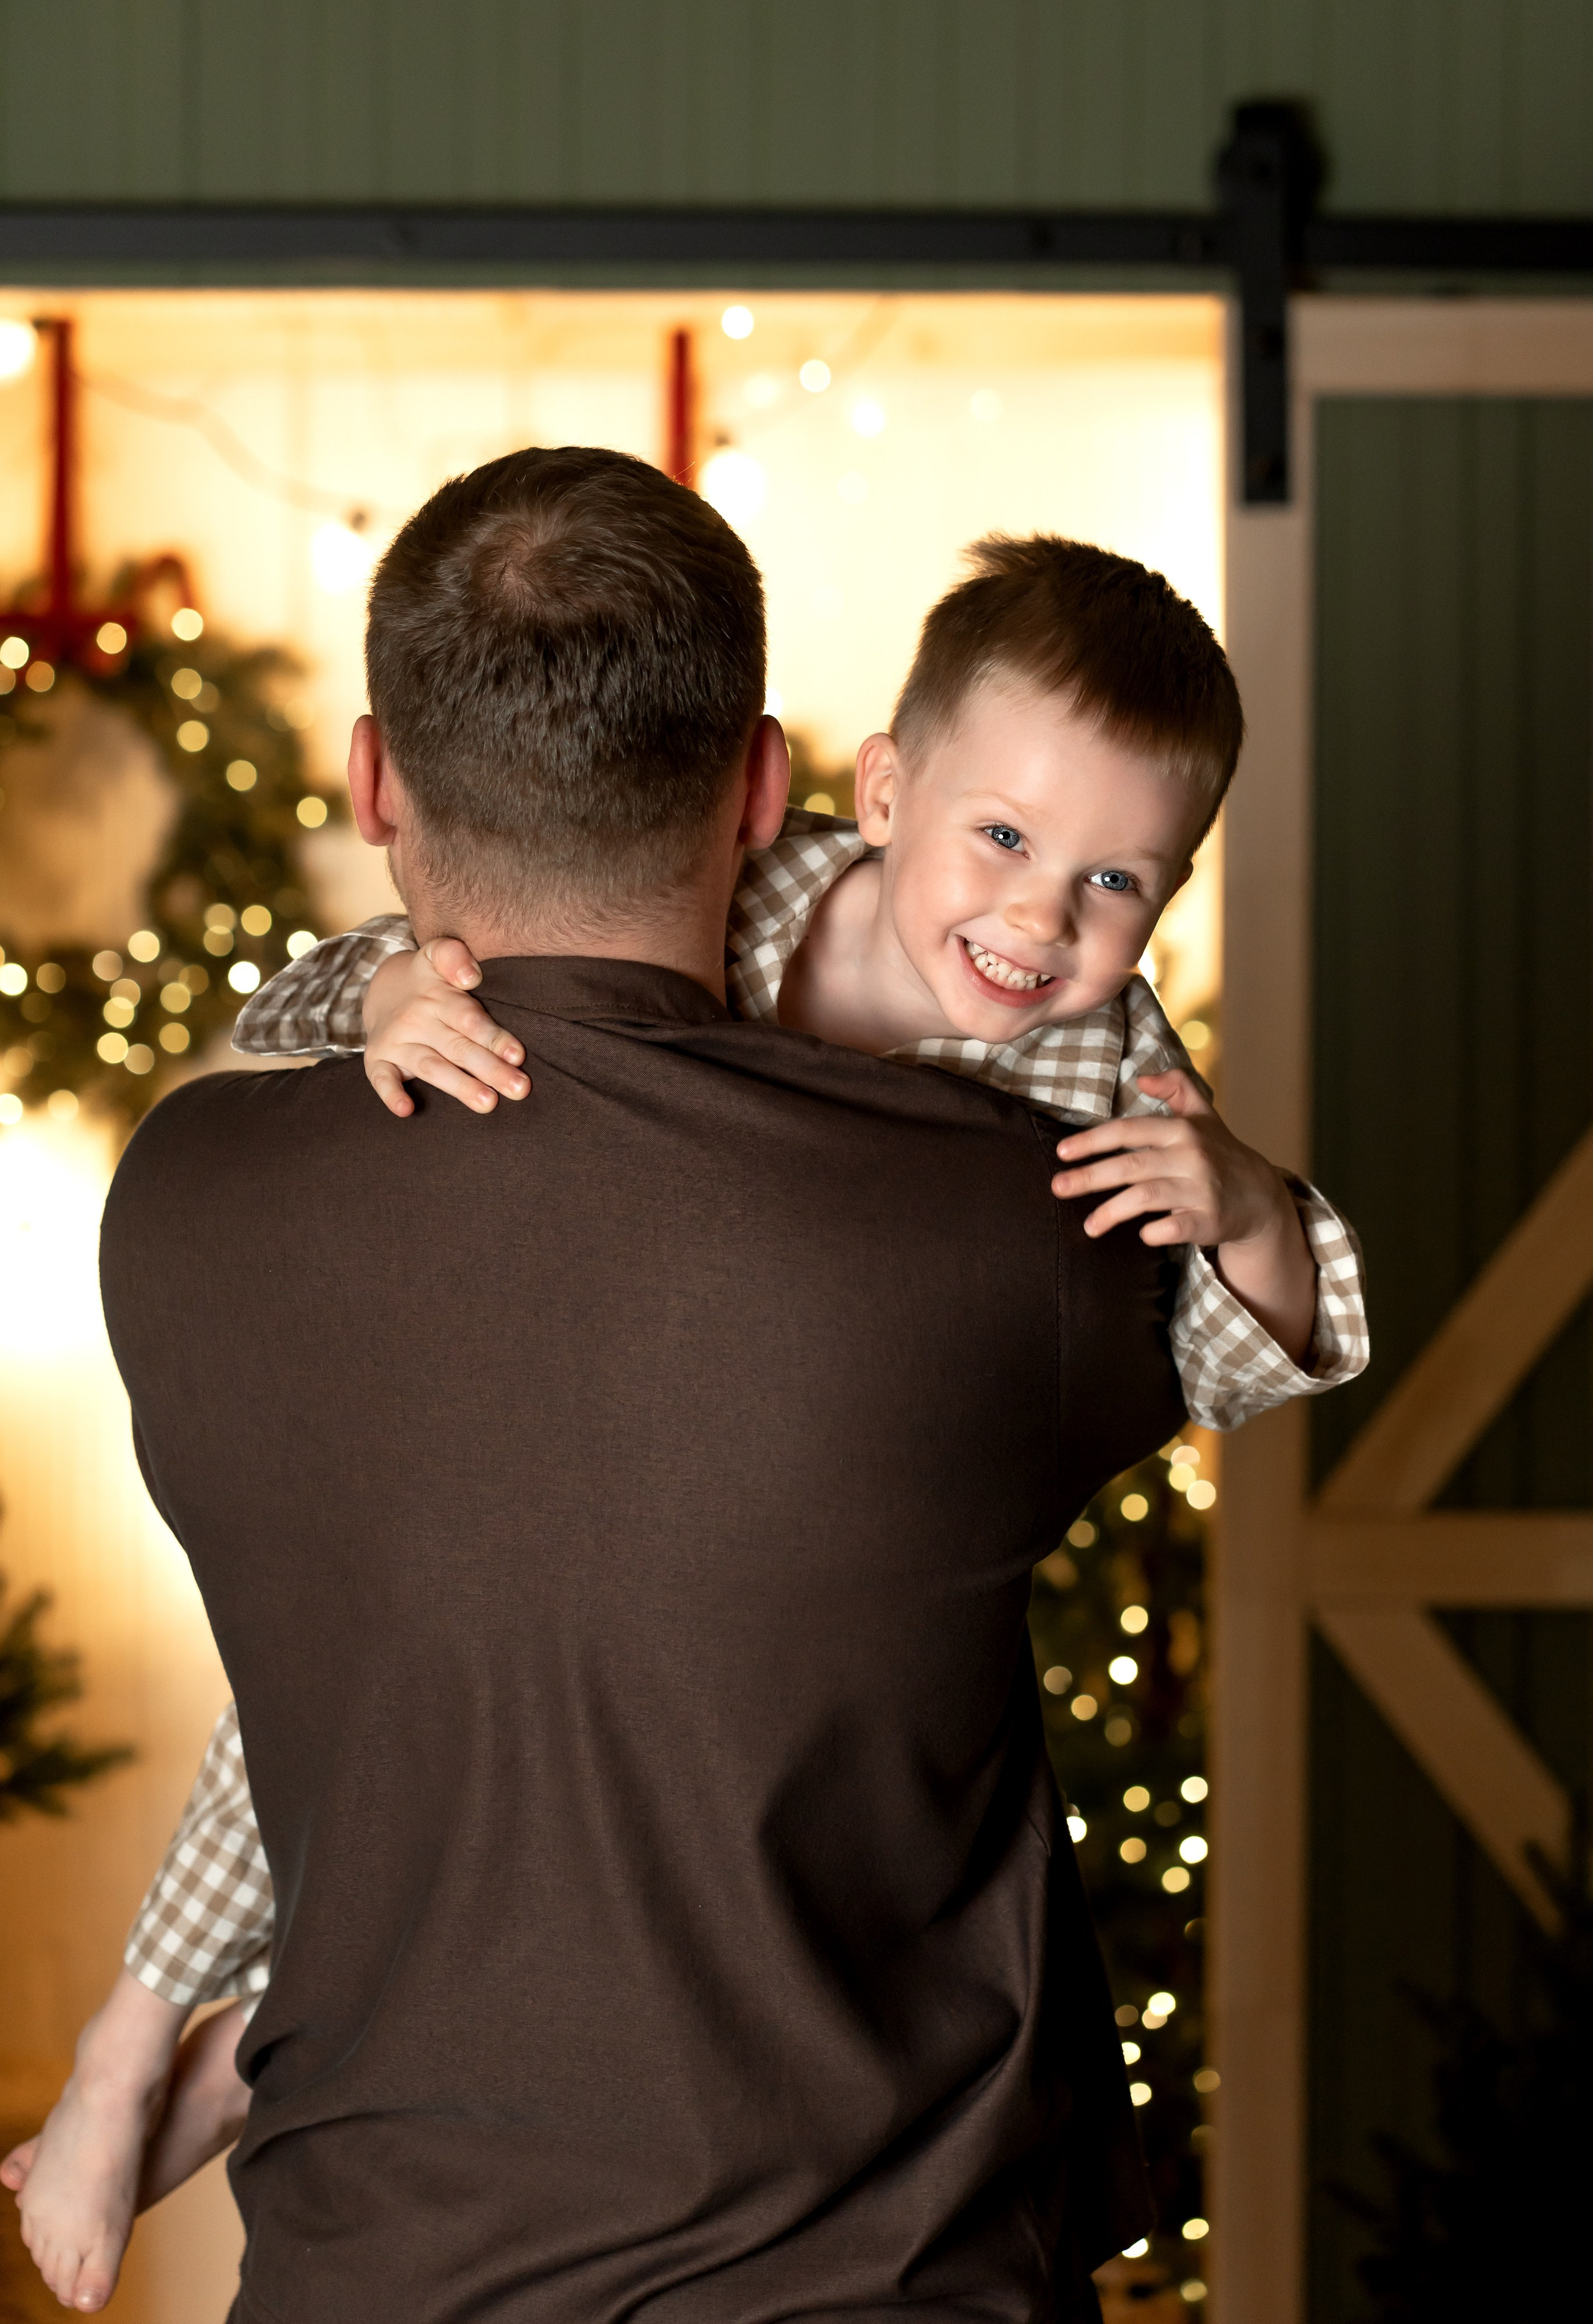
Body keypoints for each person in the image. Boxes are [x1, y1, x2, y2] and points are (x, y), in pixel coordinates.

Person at [9, 477, 1365, 2317]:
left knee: (374, 1703)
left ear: (371, 781)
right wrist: (382, 997)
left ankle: (173, 2053)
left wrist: (1255, 1208)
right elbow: (1207, 1363)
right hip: (881, 2274)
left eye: (1113, 882)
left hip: (373, 2266)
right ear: (793, 790)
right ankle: (149, 2047)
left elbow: (1256, 1322)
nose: (1040, 921)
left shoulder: (183, 1198)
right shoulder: (1010, 1231)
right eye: (1002, 843)